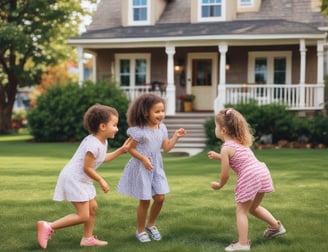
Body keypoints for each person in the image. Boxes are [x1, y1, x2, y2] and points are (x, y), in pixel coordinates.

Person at [37, 104, 131, 249]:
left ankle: (87, 238)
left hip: (82, 179)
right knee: (83, 215)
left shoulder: (102, 141)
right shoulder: (93, 144)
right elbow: (86, 168)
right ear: (102, 126)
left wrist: (122, 150)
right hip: (74, 178)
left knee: (92, 208)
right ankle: (48, 226)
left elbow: (102, 158)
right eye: (115, 125)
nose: (117, 129)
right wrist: (101, 180)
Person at [207, 108, 286, 251]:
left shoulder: (226, 148)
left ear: (223, 130)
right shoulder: (239, 142)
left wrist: (219, 185)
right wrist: (219, 156)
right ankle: (276, 226)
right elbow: (238, 158)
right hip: (261, 172)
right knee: (253, 208)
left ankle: (243, 244)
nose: (215, 129)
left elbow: (225, 175)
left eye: (216, 126)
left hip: (250, 175)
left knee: (241, 211)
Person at [117, 93, 186, 243]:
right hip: (142, 167)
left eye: (162, 111)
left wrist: (176, 137)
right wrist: (143, 159)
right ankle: (140, 230)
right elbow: (130, 149)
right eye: (157, 111)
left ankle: (151, 224)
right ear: (145, 112)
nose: (161, 114)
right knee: (145, 200)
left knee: (160, 197)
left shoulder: (162, 128)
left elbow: (166, 148)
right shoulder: (139, 130)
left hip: (156, 166)